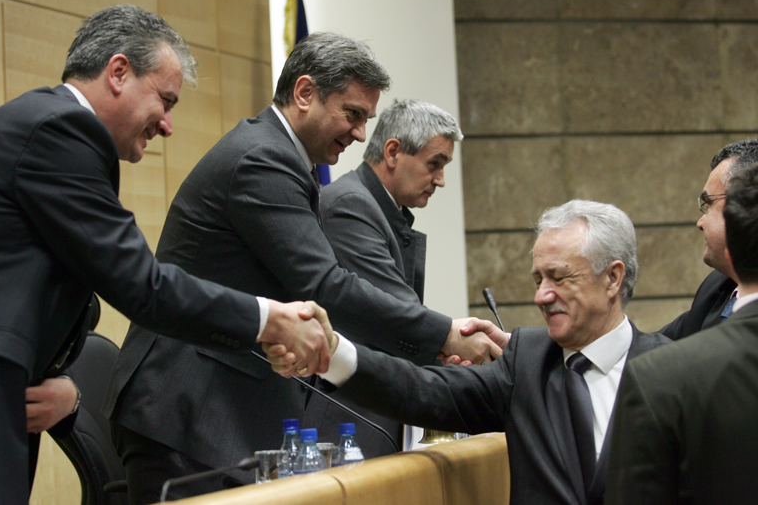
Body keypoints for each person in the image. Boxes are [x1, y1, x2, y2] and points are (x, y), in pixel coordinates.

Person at [104, 32, 500, 502]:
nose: (360, 134)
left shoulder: (282, 156)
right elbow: (325, 285)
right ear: (305, 92)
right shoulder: (264, 157)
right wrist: (444, 334)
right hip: (187, 410)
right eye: (353, 114)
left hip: (219, 409)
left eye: (366, 120)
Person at [0, 5, 330, 505]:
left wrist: (63, 384)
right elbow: (141, 285)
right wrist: (268, 319)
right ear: (118, 72)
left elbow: (41, 287)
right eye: (165, 100)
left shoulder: (49, 126)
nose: (168, 125)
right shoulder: (61, 129)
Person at [269, 199, 671, 505]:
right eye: (538, 279)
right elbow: (420, 389)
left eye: (559, 277)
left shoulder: (672, 371)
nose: (541, 296)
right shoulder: (527, 362)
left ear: (612, 278)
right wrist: (332, 352)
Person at [307, 99, 462, 457]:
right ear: (393, 152)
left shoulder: (379, 208)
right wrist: (454, 338)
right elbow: (393, 310)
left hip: (368, 408)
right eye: (434, 164)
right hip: (344, 417)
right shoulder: (350, 204)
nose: (440, 180)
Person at [605, 163, 758, 504]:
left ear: (734, 250)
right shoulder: (713, 295)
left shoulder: (658, 379)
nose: (699, 221)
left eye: (708, 204)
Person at [659, 139, 758, 339]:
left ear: (745, 203)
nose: (700, 223)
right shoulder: (717, 286)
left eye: (709, 203)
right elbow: (660, 347)